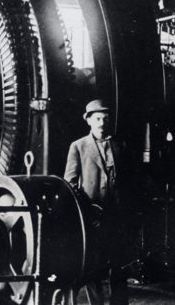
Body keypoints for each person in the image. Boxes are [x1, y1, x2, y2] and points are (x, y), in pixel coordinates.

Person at [64, 99, 128, 305]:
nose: (102, 122)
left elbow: (129, 180)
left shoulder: (121, 145)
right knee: (94, 268)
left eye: (105, 118)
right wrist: (87, 210)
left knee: (119, 266)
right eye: (98, 118)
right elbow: (70, 183)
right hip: (93, 218)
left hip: (117, 216)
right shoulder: (78, 147)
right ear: (89, 121)